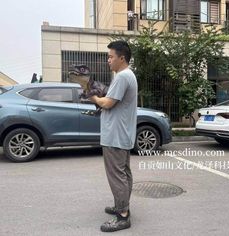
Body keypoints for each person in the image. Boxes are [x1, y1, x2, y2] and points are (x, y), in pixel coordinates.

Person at [90, 40, 137, 232]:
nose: (108, 60)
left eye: (111, 57)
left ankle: (122, 216)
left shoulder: (122, 76)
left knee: (117, 176)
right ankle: (122, 206)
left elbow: (108, 103)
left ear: (122, 58)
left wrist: (90, 95)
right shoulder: (127, 75)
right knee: (124, 173)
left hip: (115, 135)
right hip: (122, 133)